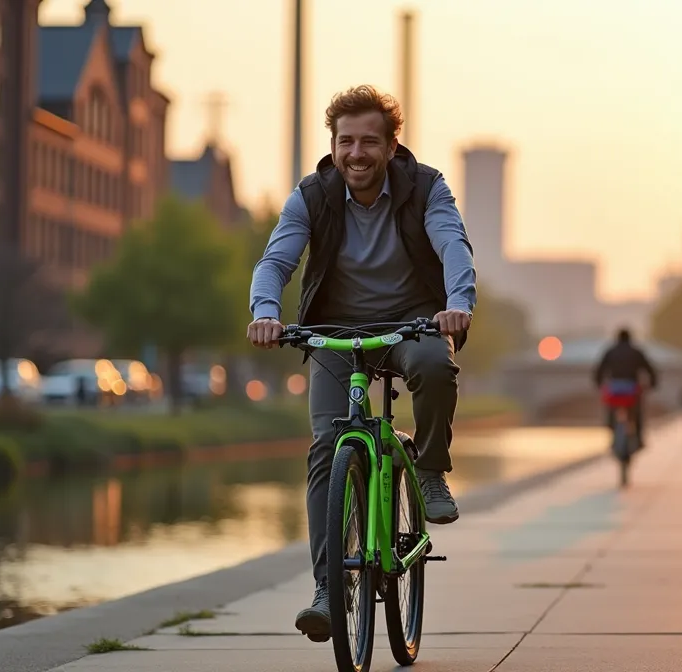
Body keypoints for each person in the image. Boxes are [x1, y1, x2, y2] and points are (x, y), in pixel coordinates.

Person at [246, 85, 475, 644]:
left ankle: (427, 467)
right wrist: (266, 312)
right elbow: (276, 259)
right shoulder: (312, 195)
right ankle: (328, 591)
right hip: (333, 333)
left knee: (436, 367)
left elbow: (453, 245)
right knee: (327, 445)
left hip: (410, 323)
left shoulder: (426, 187)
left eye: (369, 141)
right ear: (333, 144)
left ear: (393, 145)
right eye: (345, 141)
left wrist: (458, 304)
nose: (356, 153)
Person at [593, 328, 658, 448]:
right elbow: (649, 369)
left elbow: (600, 369)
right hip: (632, 388)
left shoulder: (610, 352)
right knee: (637, 412)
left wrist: (599, 384)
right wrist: (653, 383)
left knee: (611, 410)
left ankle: (612, 431)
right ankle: (639, 438)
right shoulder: (637, 352)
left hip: (614, 388)